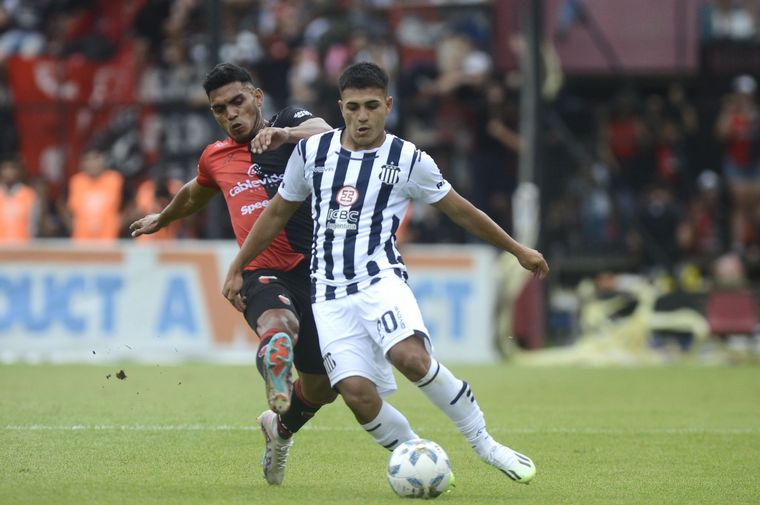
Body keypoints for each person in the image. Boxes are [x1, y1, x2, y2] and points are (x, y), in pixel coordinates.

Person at [222, 62, 549, 484]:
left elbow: (461, 211)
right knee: (356, 394)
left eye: (372, 106)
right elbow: (275, 214)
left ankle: (484, 442)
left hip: (381, 281)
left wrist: (517, 249)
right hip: (329, 296)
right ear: (340, 107)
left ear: (388, 106)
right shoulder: (312, 153)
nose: (362, 116)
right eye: (353, 106)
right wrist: (236, 266)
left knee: (410, 357)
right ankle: (418, 455)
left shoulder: (408, 158)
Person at [129, 62, 337, 485]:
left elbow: (328, 133)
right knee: (279, 326)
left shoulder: (291, 124)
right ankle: (276, 362)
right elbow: (194, 192)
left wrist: (285, 136)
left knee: (322, 389)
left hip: (317, 275)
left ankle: (278, 428)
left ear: (257, 97)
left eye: (238, 102)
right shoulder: (215, 156)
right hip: (259, 272)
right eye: (219, 109)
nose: (231, 114)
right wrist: (163, 218)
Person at [64, 147, 124, 241]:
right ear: (82, 163)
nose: (92, 163)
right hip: (80, 241)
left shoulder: (115, 180)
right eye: (88, 159)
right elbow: (62, 204)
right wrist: (70, 225)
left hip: (109, 241)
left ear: (103, 159)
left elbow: (132, 203)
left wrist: (119, 223)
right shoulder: (75, 182)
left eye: (96, 158)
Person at [0, 157, 40, 242]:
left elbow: (33, 227)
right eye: (5, 168)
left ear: (19, 171)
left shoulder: (30, 195)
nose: (9, 172)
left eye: (12, 168)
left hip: (22, 248)